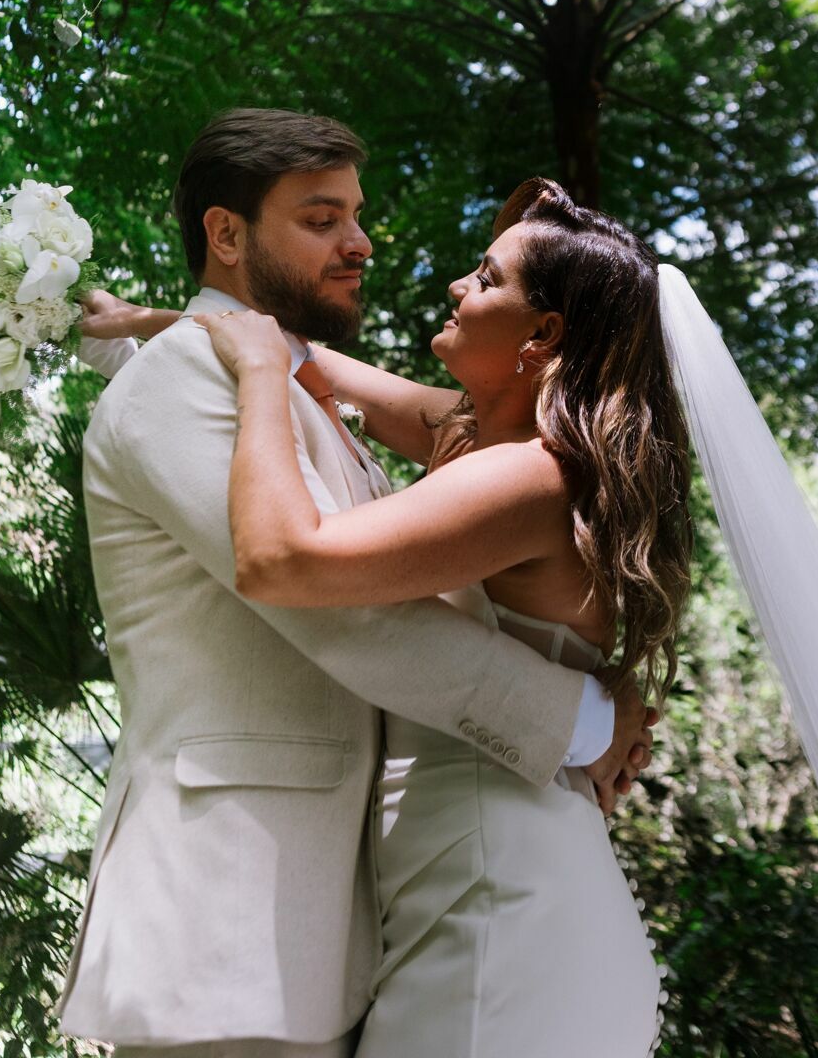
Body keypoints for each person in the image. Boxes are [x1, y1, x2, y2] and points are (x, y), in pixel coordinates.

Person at [55, 108, 655, 1058]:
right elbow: (349, 616)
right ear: (226, 234)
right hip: (228, 927)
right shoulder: (195, 378)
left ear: (543, 334)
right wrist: (584, 717)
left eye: (356, 215)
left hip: (404, 907)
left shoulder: (508, 459)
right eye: (322, 218)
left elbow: (330, 545)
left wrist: (243, 352)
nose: (362, 242)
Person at [191, 175, 683, 1058]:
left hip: (503, 913)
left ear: (541, 335)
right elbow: (305, 358)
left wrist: (260, 378)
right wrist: (139, 323)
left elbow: (279, 559)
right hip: (483, 885)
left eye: (486, 280)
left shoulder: (529, 479)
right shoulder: (471, 435)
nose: (459, 286)